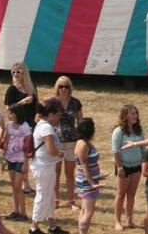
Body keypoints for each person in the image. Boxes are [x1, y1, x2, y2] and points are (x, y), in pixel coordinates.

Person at [29, 97, 65, 234]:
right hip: (44, 167)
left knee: (49, 196)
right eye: (58, 115)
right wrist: (60, 154)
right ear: (51, 113)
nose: (58, 118)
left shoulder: (42, 124)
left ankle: (52, 225)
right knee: (43, 196)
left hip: (44, 166)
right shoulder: (47, 128)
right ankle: (34, 227)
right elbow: (51, 150)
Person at [111, 104, 148, 231]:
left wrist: (144, 163)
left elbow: (143, 148)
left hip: (137, 166)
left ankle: (129, 220)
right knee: (121, 194)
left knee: (131, 194)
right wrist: (120, 168)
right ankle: (117, 221)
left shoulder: (139, 129)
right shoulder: (119, 131)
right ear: (125, 116)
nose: (135, 116)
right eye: (132, 114)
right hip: (124, 166)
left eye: (136, 113)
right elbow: (115, 151)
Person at [53, 76, 84, 210]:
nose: (63, 89)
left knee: (70, 173)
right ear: (57, 88)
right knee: (56, 172)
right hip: (56, 141)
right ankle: (55, 199)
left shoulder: (75, 103)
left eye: (66, 87)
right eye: (61, 87)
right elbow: (41, 118)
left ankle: (71, 200)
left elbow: (81, 122)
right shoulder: (52, 103)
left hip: (71, 142)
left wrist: (82, 140)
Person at [0, 105, 31, 221]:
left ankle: (23, 213)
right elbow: (6, 142)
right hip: (10, 159)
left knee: (18, 187)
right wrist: (3, 160)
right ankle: (16, 210)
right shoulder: (9, 126)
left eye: (12, 113)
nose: (9, 115)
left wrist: (26, 164)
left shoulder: (25, 127)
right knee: (14, 187)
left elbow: (27, 147)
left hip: (20, 160)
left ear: (18, 114)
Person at [73, 118, 102, 234]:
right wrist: (93, 183)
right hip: (86, 181)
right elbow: (84, 166)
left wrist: (98, 177)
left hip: (87, 179)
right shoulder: (83, 144)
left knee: (85, 210)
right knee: (89, 212)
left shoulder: (85, 142)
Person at [5, 62, 40, 127]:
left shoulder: (32, 87)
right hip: (19, 123)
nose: (15, 74)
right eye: (13, 72)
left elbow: (36, 105)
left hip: (32, 123)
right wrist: (23, 102)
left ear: (24, 73)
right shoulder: (12, 89)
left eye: (18, 72)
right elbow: (8, 109)